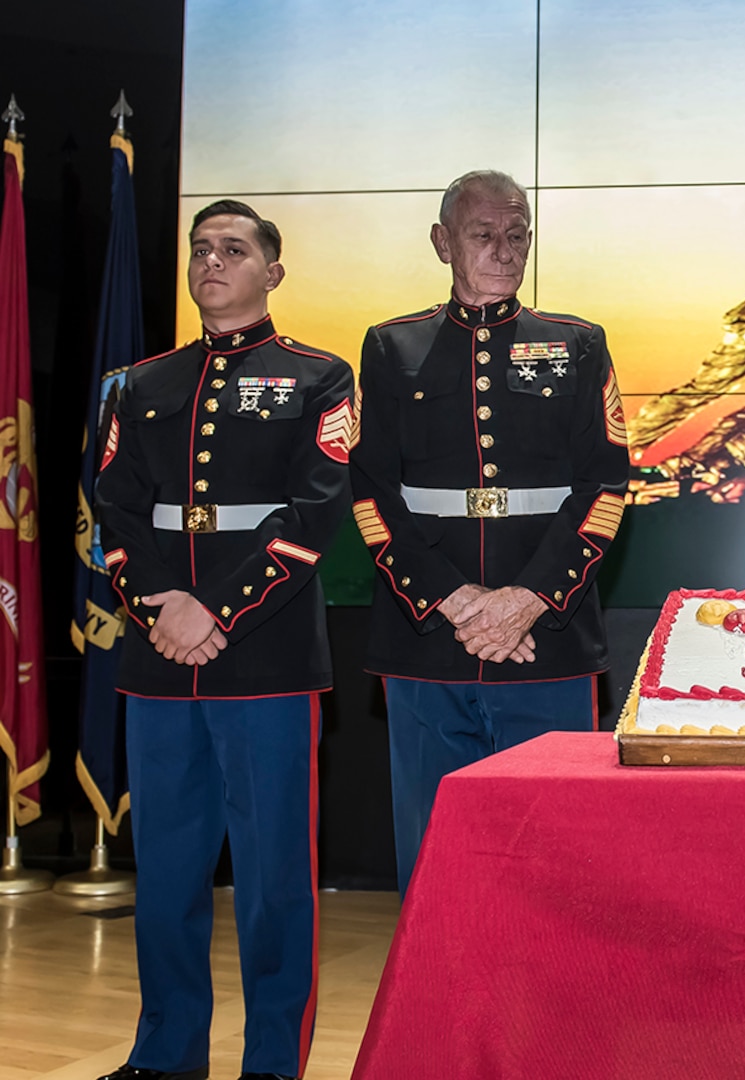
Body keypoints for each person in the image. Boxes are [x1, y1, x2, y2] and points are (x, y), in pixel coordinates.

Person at [95, 200, 355, 1080]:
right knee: (166, 880)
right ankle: (165, 1056)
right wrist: (161, 605)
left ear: (273, 271)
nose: (213, 262)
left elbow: (314, 512)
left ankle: (273, 1064)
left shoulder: (321, 378)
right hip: (159, 660)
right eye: (202, 249)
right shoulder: (140, 383)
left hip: (266, 658)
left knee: (275, 883)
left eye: (234, 250)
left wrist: (214, 609)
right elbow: (116, 509)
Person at [350, 170, 629, 896]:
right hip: (428, 643)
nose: (505, 251)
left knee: (557, 866)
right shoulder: (391, 347)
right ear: (443, 242)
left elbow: (607, 490)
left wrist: (528, 600)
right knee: (434, 863)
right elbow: (372, 496)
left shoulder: (577, 344)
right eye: (483, 235)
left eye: (517, 236)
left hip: (548, 642)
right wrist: (455, 601)